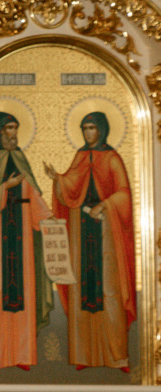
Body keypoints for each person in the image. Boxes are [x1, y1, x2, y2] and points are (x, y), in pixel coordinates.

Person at [45, 111, 136, 371]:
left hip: (106, 232)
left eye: (92, 128)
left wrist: (105, 205)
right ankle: (84, 356)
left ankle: (117, 356)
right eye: (84, 128)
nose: (88, 133)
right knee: (83, 291)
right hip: (81, 231)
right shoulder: (80, 156)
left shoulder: (113, 158)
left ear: (102, 130)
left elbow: (124, 195)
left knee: (109, 291)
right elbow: (71, 188)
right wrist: (57, 179)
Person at [0, 112, 53, 372]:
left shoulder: (20, 158)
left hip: (23, 240)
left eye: (15, 128)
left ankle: (21, 354)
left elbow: (33, 193)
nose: (13, 134)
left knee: (22, 298)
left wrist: (48, 220)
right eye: (8, 129)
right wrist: (4, 188)